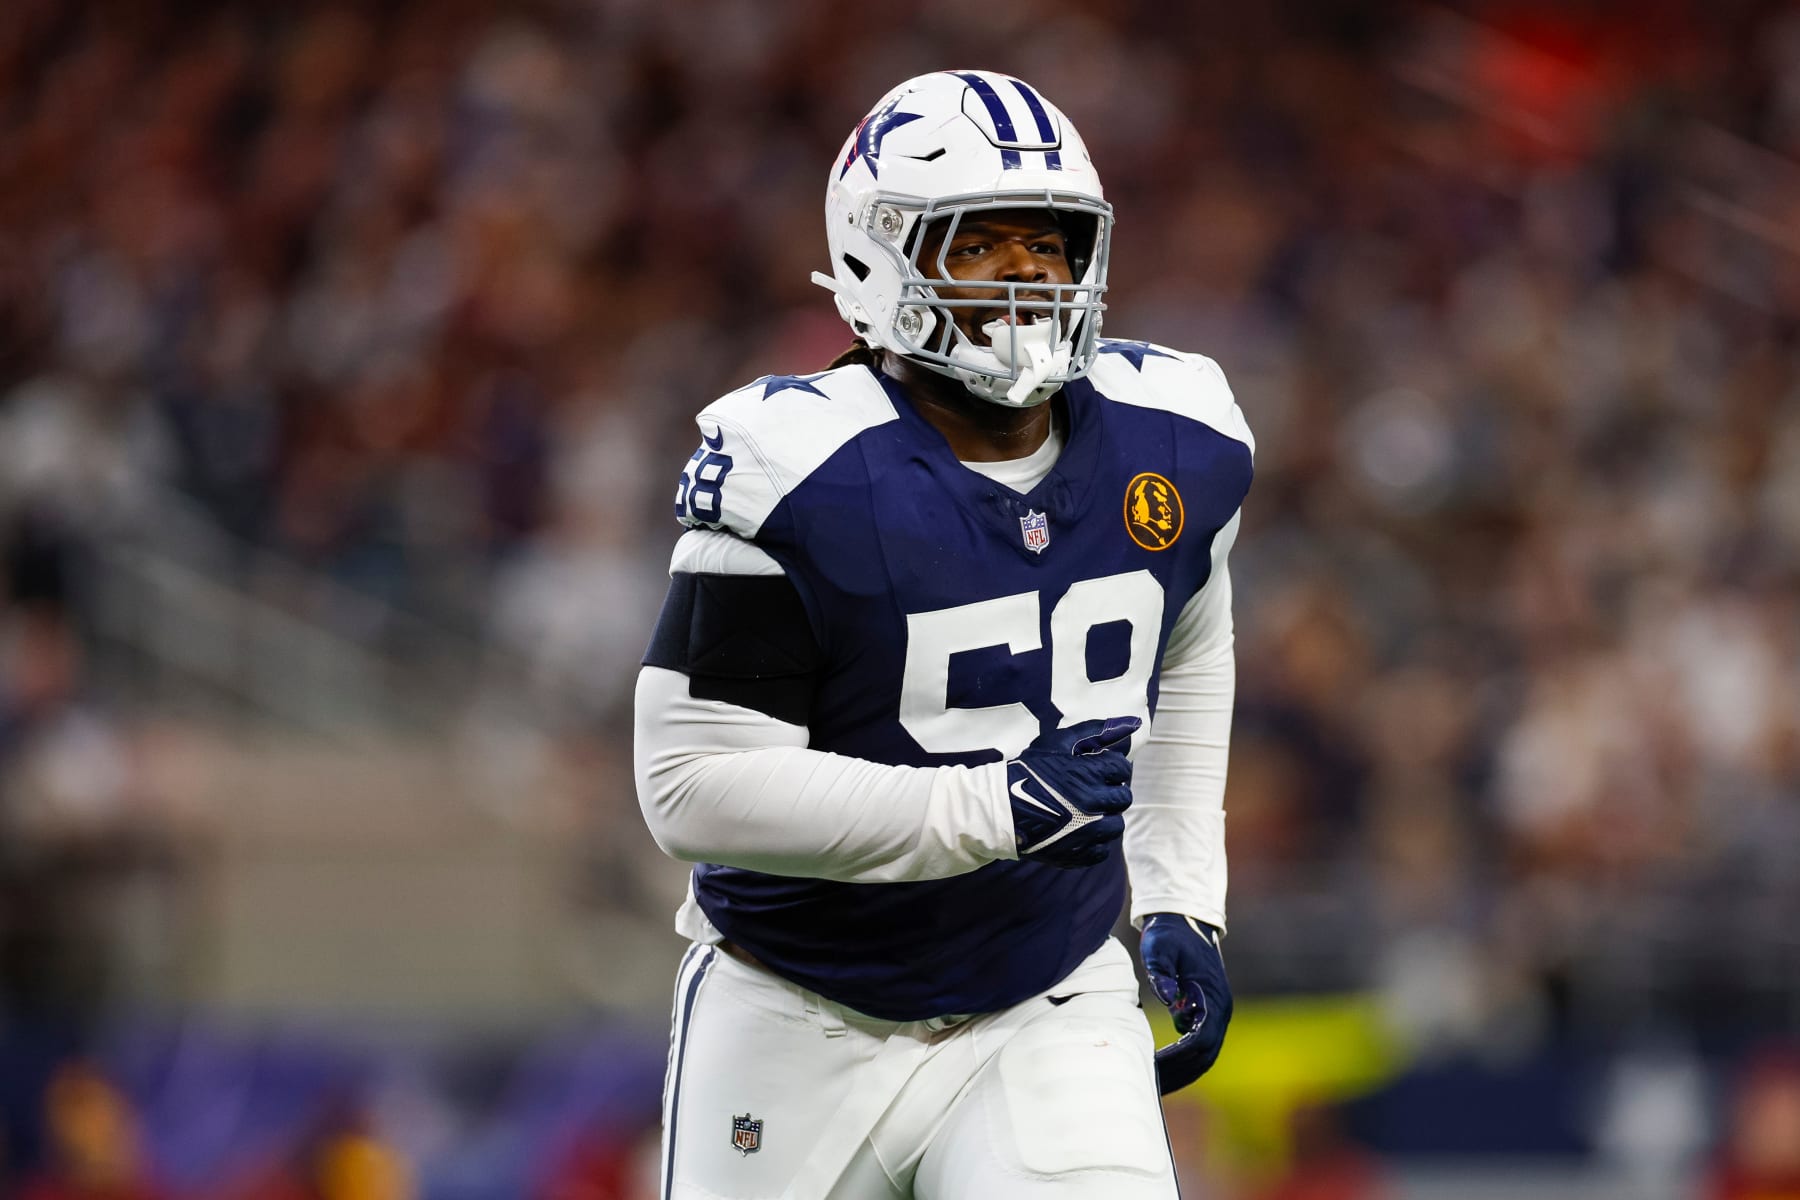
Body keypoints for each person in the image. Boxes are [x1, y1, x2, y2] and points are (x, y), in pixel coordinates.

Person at [634, 69, 1252, 1199]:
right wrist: (993, 808)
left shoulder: (1178, 436)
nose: (1030, 272)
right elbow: (690, 784)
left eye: (1053, 243)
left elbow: (1191, 645)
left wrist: (1179, 890)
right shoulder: (797, 470)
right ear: (881, 256)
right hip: (798, 1006)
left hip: (1046, 995)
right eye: (983, 243)